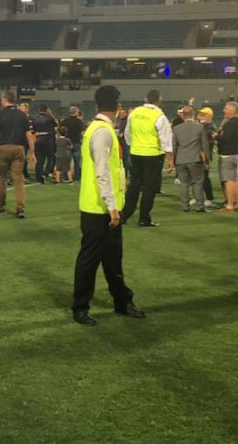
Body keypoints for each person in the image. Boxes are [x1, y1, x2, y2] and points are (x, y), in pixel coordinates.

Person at [71, 85, 145, 326]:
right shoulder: (103, 132)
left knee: (113, 259)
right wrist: (112, 206)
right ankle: (81, 306)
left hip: (100, 207)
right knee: (90, 260)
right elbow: (103, 171)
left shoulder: (97, 128)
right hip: (100, 209)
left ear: (96, 106)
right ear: (118, 107)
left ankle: (122, 301)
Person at [122, 89, 173, 227]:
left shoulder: (135, 113)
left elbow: (128, 133)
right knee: (149, 188)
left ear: (146, 99)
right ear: (159, 100)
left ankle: (124, 215)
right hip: (153, 155)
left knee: (133, 186)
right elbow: (166, 139)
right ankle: (144, 218)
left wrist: (133, 146)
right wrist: (170, 158)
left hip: (136, 153)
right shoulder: (159, 116)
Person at [0, 90, 35, 219]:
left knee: (1, 177)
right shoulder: (22, 115)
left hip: (3, 148)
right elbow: (28, 135)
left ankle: (0, 205)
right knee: (18, 179)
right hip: (19, 148)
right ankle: (20, 208)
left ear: (5, 99)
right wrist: (32, 152)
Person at [172, 106, 210, 212]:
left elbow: (174, 146)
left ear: (183, 115)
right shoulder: (199, 127)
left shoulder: (176, 129)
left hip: (181, 159)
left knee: (184, 184)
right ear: (193, 115)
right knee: (197, 182)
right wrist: (207, 160)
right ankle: (200, 206)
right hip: (195, 159)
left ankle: (185, 206)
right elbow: (204, 145)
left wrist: (173, 161)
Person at [216, 101, 238, 213]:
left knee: (228, 180)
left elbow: (226, 138)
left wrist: (217, 137)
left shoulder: (230, 124)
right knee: (236, 180)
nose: (224, 110)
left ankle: (230, 204)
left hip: (228, 154)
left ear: (231, 111)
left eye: (226, 109)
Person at [32, 104, 57, 183]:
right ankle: (46, 174)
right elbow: (56, 124)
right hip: (48, 140)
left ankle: (39, 176)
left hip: (38, 139)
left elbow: (33, 130)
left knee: (39, 159)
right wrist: (51, 114)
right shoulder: (49, 118)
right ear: (46, 110)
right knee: (50, 158)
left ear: (39, 110)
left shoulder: (35, 118)